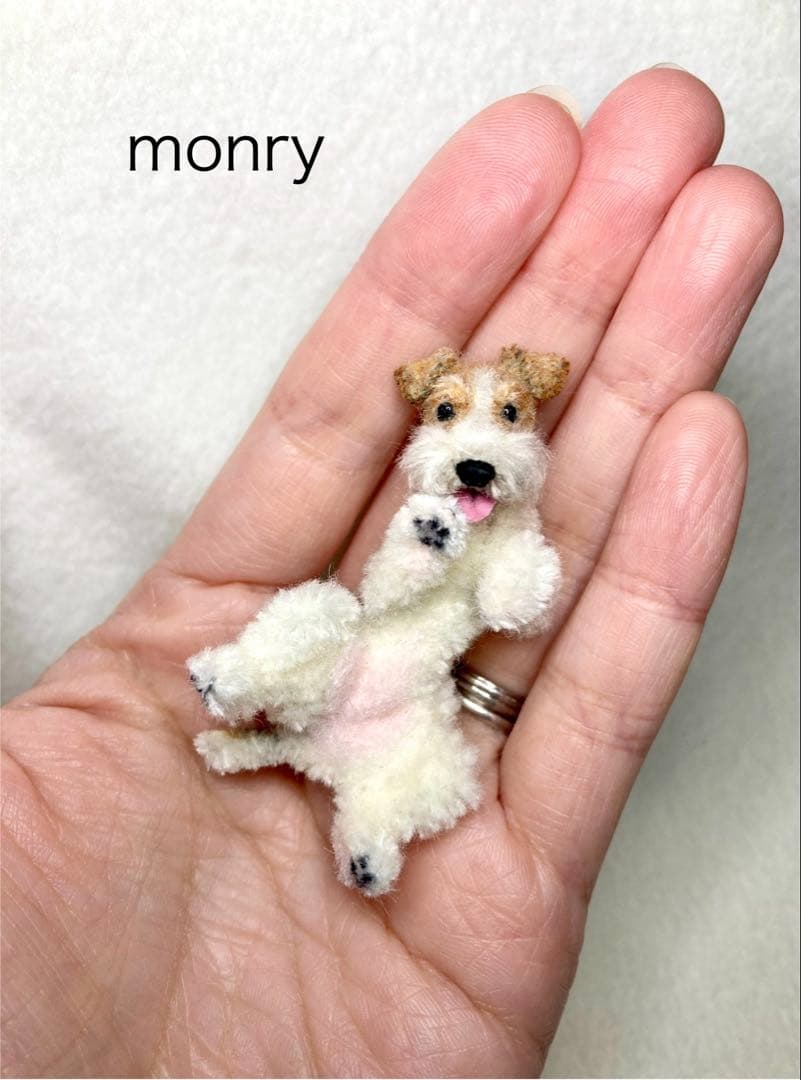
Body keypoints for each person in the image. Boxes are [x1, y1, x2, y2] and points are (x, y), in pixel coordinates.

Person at [0, 66, 783, 1078]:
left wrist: (497, 569)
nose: (477, 444)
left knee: (432, 768)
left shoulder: (510, 533)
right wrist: (430, 549)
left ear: (530, 421)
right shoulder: (417, 517)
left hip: (410, 696)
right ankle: (238, 681)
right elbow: (395, 590)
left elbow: (517, 601)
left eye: (506, 418)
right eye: (452, 414)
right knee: (321, 614)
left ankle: (368, 834)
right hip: (359, 656)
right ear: (426, 414)